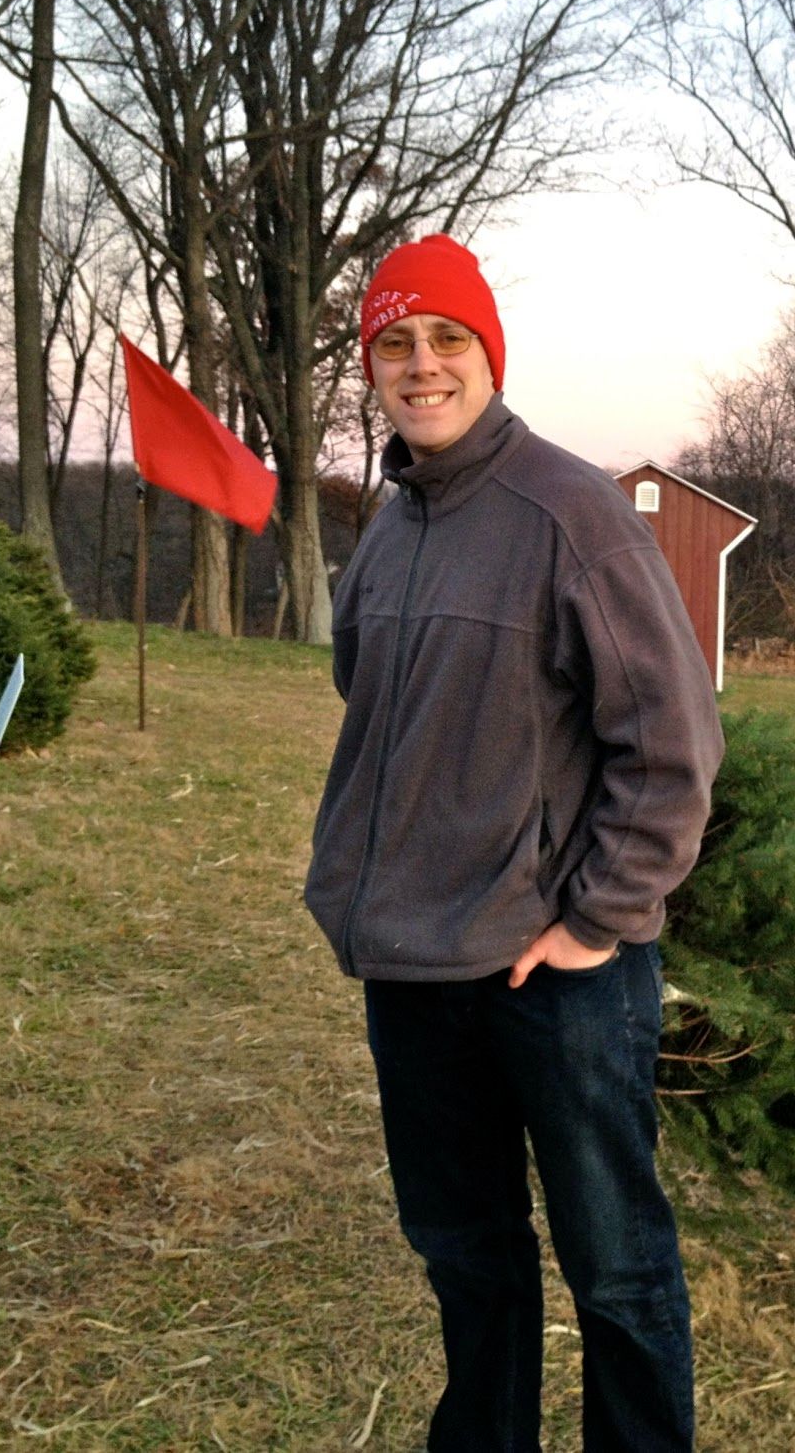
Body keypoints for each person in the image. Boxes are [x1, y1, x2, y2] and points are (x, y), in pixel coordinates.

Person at [305, 233, 723, 1452]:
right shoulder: (390, 529)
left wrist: (595, 919)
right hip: (412, 966)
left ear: (488, 354)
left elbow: (674, 740)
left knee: (616, 1269)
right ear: (372, 366)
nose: (421, 366)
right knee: (467, 1259)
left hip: (551, 975)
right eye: (396, 343)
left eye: (447, 340)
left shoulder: (568, 513)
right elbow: (371, 703)